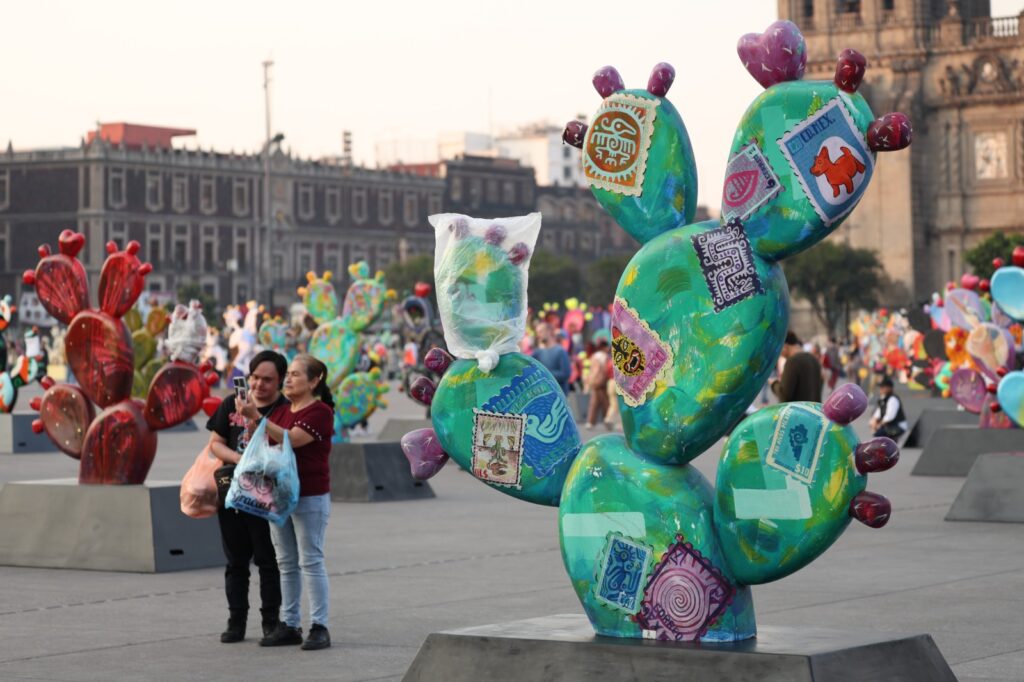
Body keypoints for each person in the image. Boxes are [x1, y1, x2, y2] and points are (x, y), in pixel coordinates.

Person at [238, 353, 335, 651]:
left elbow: (292, 439)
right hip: (278, 495)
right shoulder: (280, 412)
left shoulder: (320, 412)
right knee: (286, 562)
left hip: (310, 494)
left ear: (314, 381)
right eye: (288, 374)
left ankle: (319, 626)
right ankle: (290, 624)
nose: (288, 379)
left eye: (295, 374)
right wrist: (251, 424)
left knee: (311, 560)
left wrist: (258, 418)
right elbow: (267, 445)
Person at [206, 350, 289, 644]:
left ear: (280, 381)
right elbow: (215, 443)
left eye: (267, 380)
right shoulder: (231, 403)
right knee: (236, 562)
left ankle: (270, 620)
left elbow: (286, 448)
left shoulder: (284, 409)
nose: (258, 384)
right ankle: (236, 621)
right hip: (232, 492)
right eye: (254, 377)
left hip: (266, 495)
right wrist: (239, 459)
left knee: (268, 560)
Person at [772, 331, 823, 403]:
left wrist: (774, 384)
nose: (778, 353)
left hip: (799, 409)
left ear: (785, 346)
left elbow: (784, 395)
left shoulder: (792, 362)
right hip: (814, 408)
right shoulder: (812, 358)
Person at [532, 322, 571, 395]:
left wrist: (545, 373)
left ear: (549, 331)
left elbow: (565, 373)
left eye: (541, 332)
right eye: (537, 332)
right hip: (544, 394)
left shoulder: (560, 351)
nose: (538, 335)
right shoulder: (537, 353)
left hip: (559, 394)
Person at [585, 339, 610, 429]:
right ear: (604, 347)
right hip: (602, 382)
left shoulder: (594, 356)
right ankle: (607, 420)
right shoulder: (604, 356)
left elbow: (591, 370)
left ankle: (591, 422)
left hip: (595, 382)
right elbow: (600, 370)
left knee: (595, 403)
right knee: (605, 403)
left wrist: (589, 381)